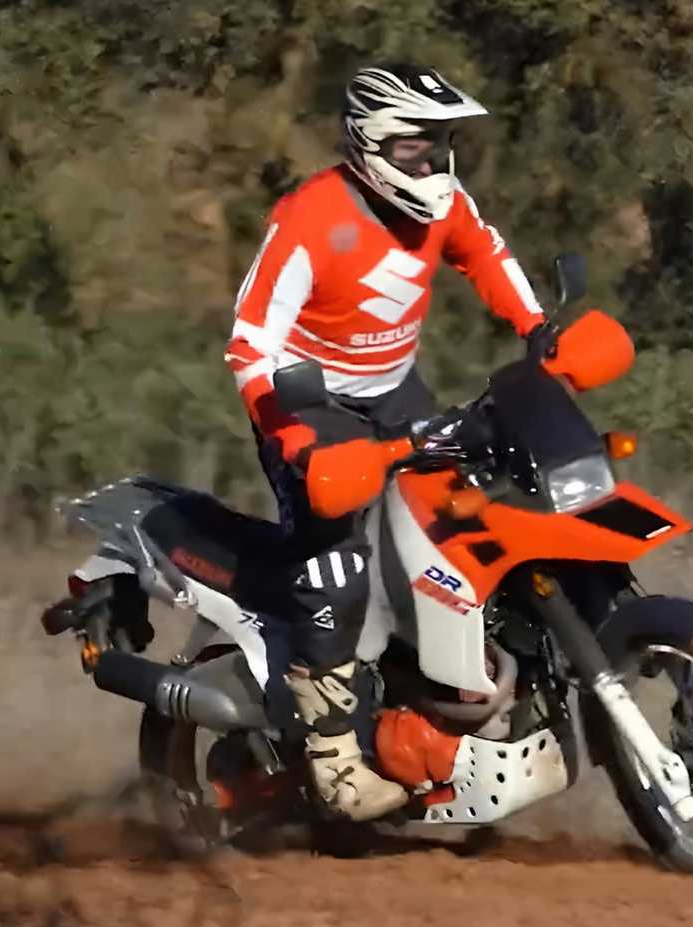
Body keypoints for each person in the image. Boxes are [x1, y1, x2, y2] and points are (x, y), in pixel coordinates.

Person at [224, 63, 555, 821]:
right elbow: (250, 345)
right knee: (336, 564)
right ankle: (333, 758)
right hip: (309, 406)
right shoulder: (310, 219)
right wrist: (295, 440)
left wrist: (538, 327)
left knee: (463, 521)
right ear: (370, 145)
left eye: (440, 145)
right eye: (414, 147)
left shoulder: (444, 203)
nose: (433, 162)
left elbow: (484, 252)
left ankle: (443, 694)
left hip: (398, 392)